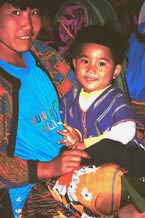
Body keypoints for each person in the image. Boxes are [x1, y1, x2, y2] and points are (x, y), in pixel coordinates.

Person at [0, 1, 91, 217]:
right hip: (28, 193)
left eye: (34, 12)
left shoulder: (44, 56)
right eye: (16, 12)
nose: (28, 25)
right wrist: (48, 168)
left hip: (71, 166)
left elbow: (79, 99)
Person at [50, 24, 145, 217]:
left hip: (125, 156)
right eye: (85, 61)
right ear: (75, 63)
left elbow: (126, 131)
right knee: (66, 154)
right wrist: (71, 137)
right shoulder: (69, 99)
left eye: (101, 64)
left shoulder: (114, 97)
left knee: (106, 147)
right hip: (94, 162)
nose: (92, 69)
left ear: (116, 71)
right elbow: (65, 128)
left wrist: (84, 143)